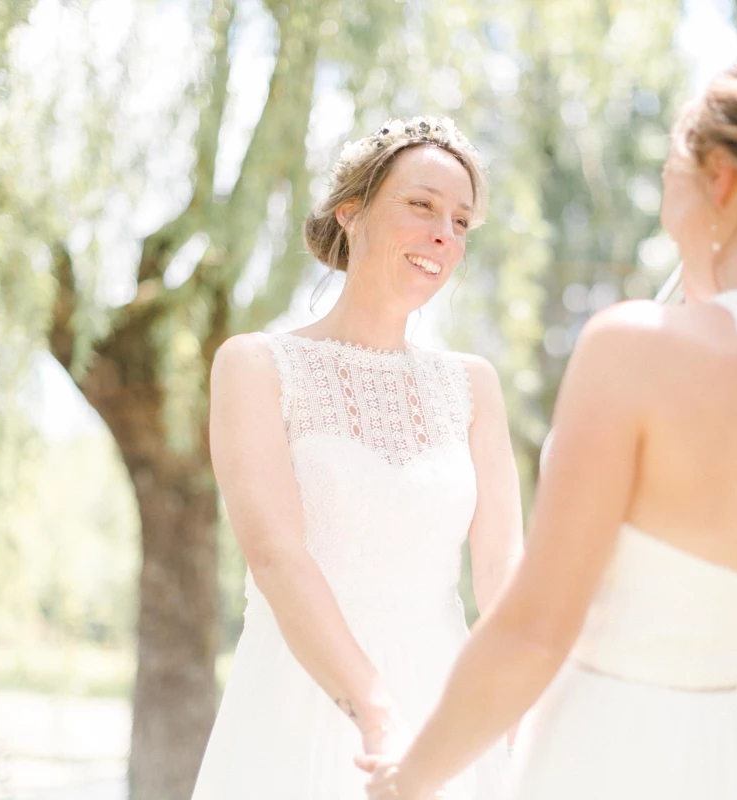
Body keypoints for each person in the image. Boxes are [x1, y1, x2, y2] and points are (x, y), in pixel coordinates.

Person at [360, 48, 737, 800]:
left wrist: (406, 779)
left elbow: (533, 630)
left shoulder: (639, 347)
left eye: (667, 179)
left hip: (618, 757)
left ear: (719, 180)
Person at [193, 116, 520, 799]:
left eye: (461, 221)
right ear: (352, 213)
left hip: (445, 711)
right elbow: (278, 556)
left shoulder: (473, 387)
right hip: (298, 701)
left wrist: (536, 694)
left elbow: (499, 572)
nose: (444, 235)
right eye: (421, 206)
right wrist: (376, 715)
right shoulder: (256, 367)